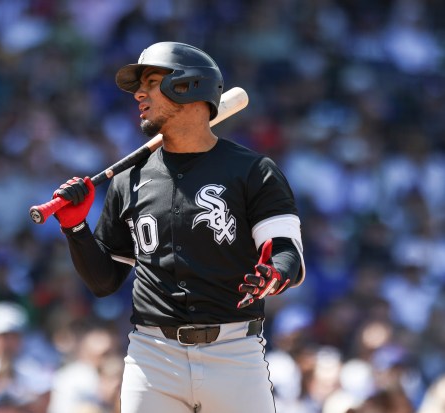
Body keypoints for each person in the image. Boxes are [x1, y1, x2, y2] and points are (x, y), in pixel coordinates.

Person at [50, 41, 306, 412]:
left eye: (152, 82)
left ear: (188, 87)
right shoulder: (129, 179)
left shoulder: (253, 171)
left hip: (234, 352)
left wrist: (273, 274)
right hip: (152, 357)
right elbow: (104, 281)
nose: (139, 93)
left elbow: (286, 251)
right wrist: (75, 228)